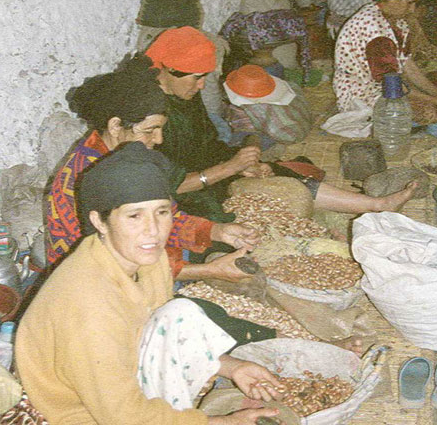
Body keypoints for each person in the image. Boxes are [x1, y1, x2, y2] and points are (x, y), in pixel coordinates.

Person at [16, 142, 283, 425]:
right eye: (134, 216)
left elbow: (152, 329)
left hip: (116, 387)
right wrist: (220, 422)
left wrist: (231, 367)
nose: (153, 230)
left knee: (181, 313)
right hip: (75, 414)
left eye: (162, 212)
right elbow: (124, 417)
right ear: (100, 221)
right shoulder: (89, 305)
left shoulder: (145, 257)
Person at [142, 27, 418, 218]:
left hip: (206, 169)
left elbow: (205, 144)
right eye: (195, 78)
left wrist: (243, 165)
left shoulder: (183, 92)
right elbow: (164, 185)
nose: (202, 86)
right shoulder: (144, 115)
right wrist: (229, 168)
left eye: (205, 77)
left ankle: (377, 205)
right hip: (177, 192)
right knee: (232, 216)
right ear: (166, 69)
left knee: (275, 172)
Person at [46, 55, 259, 283]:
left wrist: (216, 231)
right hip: (96, 283)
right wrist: (208, 270)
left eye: (160, 129)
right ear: (115, 125)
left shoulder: (130, 157)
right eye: (150, 130)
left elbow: (162, 217)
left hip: (146, 257)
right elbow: (114, 264)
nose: (157, 140)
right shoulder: (88, 179)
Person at [333, 0, 437, 122]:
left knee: (436, 106)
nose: (412, 9)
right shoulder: (374, 29)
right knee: (430, 113)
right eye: (410, 3)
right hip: (362, 95)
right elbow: (390, 84)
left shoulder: (393, 19)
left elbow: (406, 64)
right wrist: (433, 100)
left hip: (382, 87)